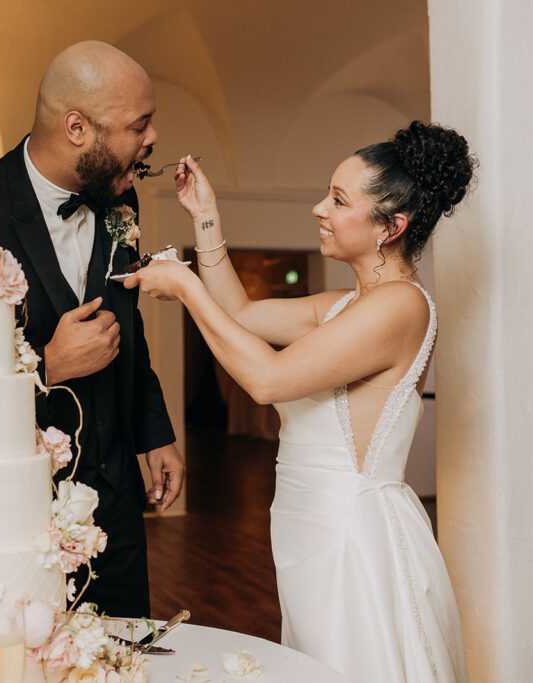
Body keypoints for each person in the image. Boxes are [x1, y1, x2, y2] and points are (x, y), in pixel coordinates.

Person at [125, 121, 475, 681]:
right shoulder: (345, 305)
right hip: (305, 528)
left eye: (338, 200)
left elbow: (267, 380)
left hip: (351, 538)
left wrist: (186, 287)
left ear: (391, 226)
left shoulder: (402, 306)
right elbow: (240, 314)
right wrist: (205, 216)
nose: (319, 209)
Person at [0, 41, 185, 619]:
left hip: (116, 513)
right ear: (77, 128)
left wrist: (155, 433)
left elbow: (128, 330)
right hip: (11, 524)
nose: (150, 140)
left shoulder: (122, 203)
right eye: (138, 124)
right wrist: (44, 367)